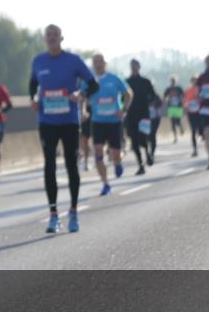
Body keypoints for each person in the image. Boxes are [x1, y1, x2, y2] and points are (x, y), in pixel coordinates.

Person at [28, 24, 97, 233]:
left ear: (61, 38)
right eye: (48, 35)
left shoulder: (73, 61)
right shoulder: (38, 61)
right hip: (46, 121)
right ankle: (53, 215)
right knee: (49, 164)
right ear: (44, 39)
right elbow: (32, 84)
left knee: (70, 165)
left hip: (69, 121)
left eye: (55, 35)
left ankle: (74, 212)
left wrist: (81, 94)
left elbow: (93, 83)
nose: (51, 38)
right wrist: (32, 98)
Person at [85, 54, 130, 196]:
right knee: (98, 151)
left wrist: (124, 110)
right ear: (93, 64)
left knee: (115, 153)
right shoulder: (89, 80)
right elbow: (81, 95)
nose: (98, 64)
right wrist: (81, 111)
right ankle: (105, 183)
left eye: (100, 62)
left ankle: (117, 163)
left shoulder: (113, 79)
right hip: (97, 121)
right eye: (95, 62)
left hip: (114, 122)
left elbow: (128, 93)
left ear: (105, 63)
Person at [123, 59, 157, 175]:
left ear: (139, 67)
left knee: (143, 138)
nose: (134, 68)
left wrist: (150, 102)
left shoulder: (145, 81)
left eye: (136, 66)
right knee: (134, 141)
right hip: (131, 115)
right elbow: (122, 97)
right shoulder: (126, 82)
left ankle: (147, 153)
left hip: (144, 114)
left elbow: (153, 96)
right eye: (132, 66)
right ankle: (140, 165)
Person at [184, 77, 202, 157]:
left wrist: (198, 99)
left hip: (200, 113)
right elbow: (186, 101)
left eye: (195, 81)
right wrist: (186, 107)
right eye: (193, 81)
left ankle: (204, 139)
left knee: (201, 130)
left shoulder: (201, 90)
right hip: (191, 113)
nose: (194, 82)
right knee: (193, 131)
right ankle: (195, 150)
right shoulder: (188, 90)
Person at [162, 76, 185, 142]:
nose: (173, 82)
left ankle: (181, 128)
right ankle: (175, 137)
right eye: (172, 80)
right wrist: (165, 101)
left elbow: (183, 95)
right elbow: (164, 95)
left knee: (177, 121)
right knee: (172, 122)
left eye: (174, 80)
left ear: (176, 81)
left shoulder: (178, 88)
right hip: (171, 106)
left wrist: (181, 100)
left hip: (178, 106)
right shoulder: (168, 88)